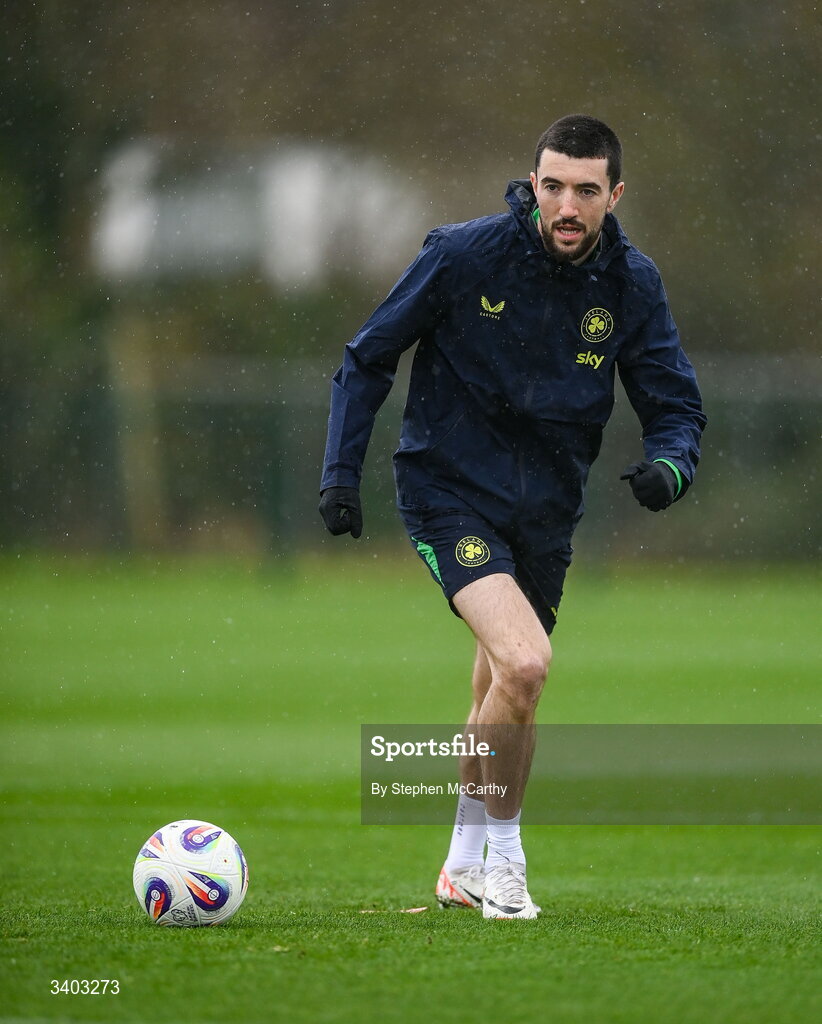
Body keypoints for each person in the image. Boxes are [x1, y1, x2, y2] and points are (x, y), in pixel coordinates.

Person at [319, 114, 706, 919]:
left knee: (503, 688)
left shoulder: (632, 285)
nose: (567, 205)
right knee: (526, 666)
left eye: (586, 191)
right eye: (553, 185)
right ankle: (506, 865)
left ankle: (458, 864)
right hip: (446, 492)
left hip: (547, 516)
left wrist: (671, 465)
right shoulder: (463, 256)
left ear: (615, 195)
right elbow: (367, 357)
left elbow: (676, 405)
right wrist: (340, 474)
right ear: (533, 184)